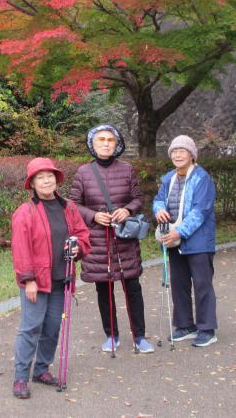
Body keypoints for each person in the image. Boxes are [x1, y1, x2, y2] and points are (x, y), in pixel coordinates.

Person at [11, 157, 91, 399]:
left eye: (49, 176)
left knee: (53, 327)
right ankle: (21, 377)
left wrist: (80, 248)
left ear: (56, 179)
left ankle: (42, 369)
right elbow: (20, 248)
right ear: (32, 183)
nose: (46, 181)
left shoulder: (69, 207)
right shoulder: (25, 212)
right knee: (30, 328)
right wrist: (29, 280)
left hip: (62, 278)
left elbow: (81, 233)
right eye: (40, 177)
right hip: (37, 281)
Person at [69, 124, 154, 354]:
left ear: (117, 144)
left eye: (110, 140)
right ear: (92, 144)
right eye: (101, 140)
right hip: (97, 241)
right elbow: (73, 205)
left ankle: (139, 336)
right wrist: (93, 215)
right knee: (103, 289)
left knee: (132, 287)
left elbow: (138, 198)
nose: (106, 143)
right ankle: (112, 334)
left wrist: (127, 210)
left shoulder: (127, 169)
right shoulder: (83, 173)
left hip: (124, 238)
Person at [153, 135, 218, 347]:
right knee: (179, 283)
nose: (178, 154)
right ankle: (185, 325)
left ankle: (207, 329)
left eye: (182, 151)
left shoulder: (202, 178)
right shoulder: (168, 178)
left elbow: (201, 211)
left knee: (202, 284)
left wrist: (179, 232)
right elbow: (158, 199)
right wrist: (159, 209)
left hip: (198, 241)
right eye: (174, 151)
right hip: (174, 240)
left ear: (192, 155)